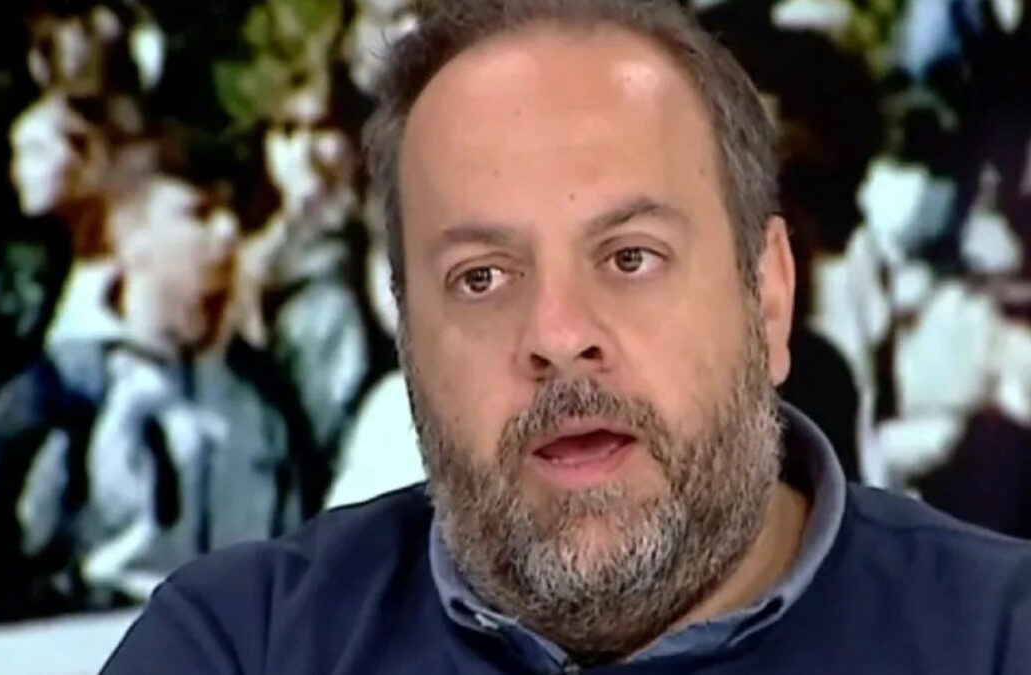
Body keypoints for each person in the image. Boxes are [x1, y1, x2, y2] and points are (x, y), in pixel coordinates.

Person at [100, 1, 1031, 672]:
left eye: (630, 257)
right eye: (481, 277)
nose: (557, 334)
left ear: (770, 296)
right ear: (407, 338)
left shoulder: (999, 635)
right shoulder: (242, 644)